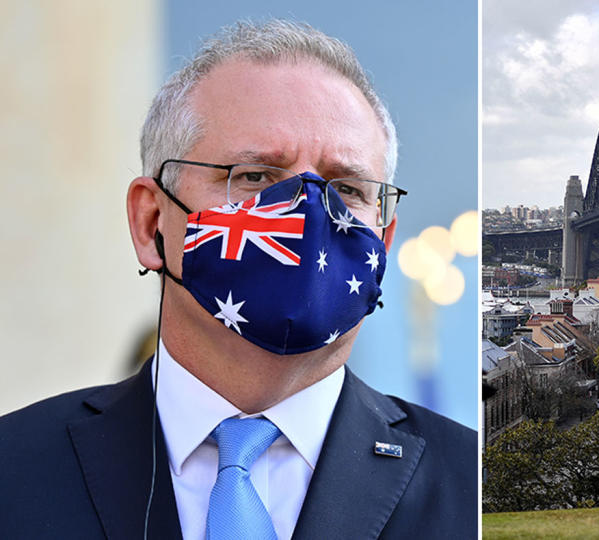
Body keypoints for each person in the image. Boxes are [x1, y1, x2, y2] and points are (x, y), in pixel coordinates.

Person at [0, 20, 476, 539]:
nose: (309, 215)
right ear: (151, 222)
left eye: (347, 189)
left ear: (382, 243)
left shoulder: (468, 486)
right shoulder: (14, 470)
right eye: (254, 177)